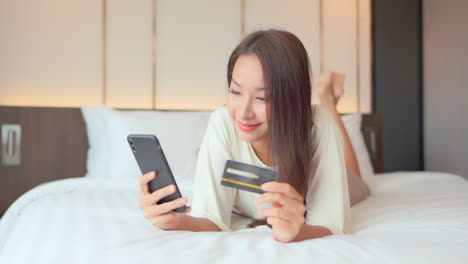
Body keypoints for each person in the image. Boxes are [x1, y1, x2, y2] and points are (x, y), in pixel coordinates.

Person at [138, 29, 351, 243]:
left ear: (292, 101)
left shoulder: (319, 126)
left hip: (341, 176)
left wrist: (297, 232)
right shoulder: (223, 122)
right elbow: (211, 220)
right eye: (235, 92)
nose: (243, 113)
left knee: (357, 180)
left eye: (262, 98)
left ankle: (329, 100)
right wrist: (175, 222)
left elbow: (332, 224)